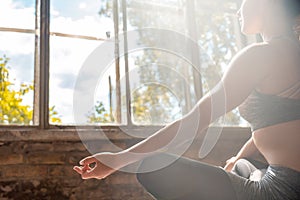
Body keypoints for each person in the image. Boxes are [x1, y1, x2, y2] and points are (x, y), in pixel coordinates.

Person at [74, 0, 300, 199]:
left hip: (283, 191)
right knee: (239, 165)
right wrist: (237, 159)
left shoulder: (261, 56)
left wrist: (119, 159)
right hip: (286, 179)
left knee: (154, 168)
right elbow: (279, 126)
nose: (238, 10)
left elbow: (194, 122)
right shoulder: (292, 52)